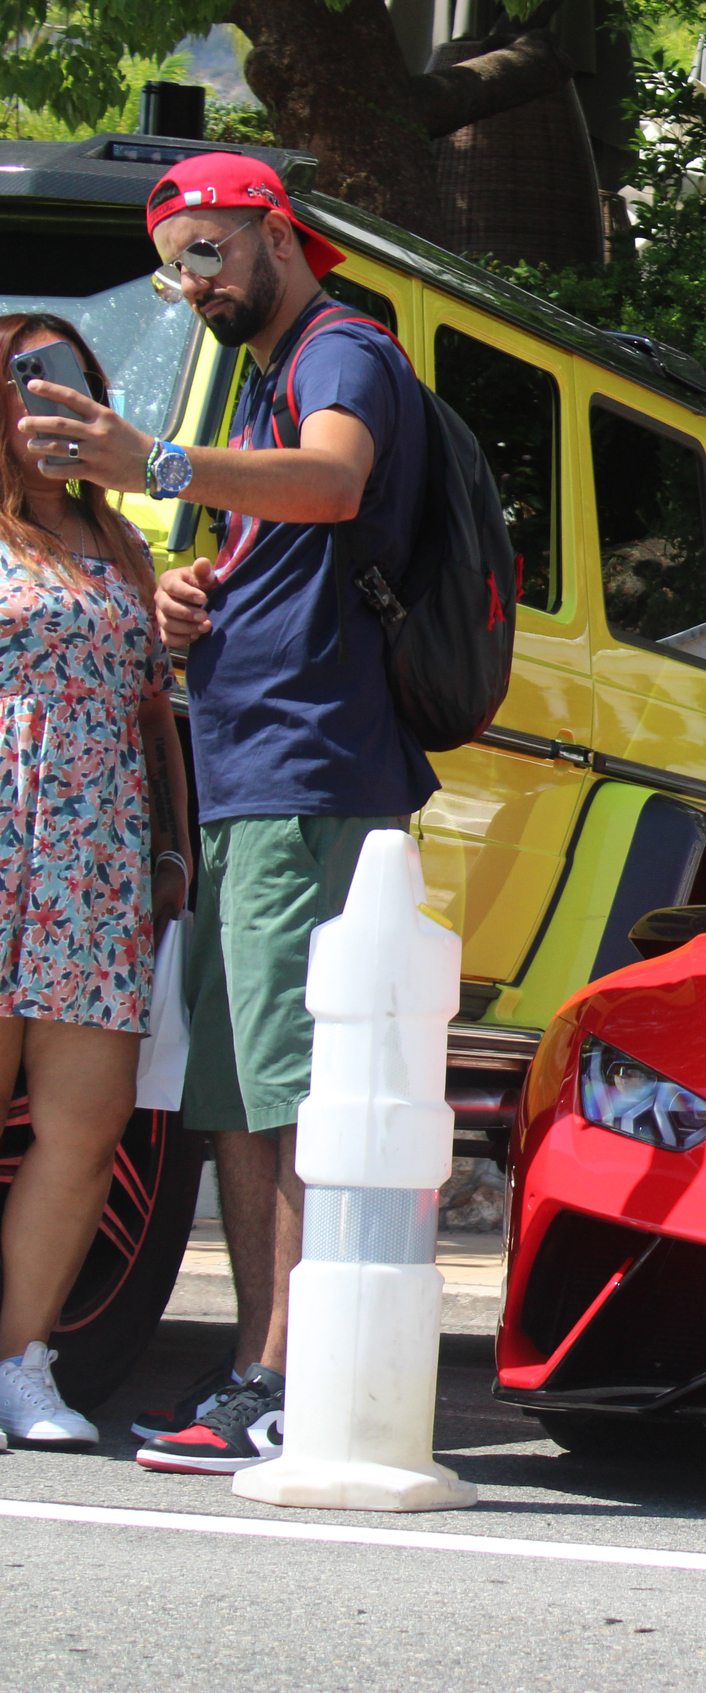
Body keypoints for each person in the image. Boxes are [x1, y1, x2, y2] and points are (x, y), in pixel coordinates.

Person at [12, 151, 437, 1473]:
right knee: (243, 1093)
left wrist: (164, 463)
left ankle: (279, 1375)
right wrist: (207, 594)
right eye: (175, 262)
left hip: (301, 772)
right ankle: (269, 1373)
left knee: (276, 1091)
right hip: (255, 775)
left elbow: (336, 480)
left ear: (275, 230)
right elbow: (289, 521)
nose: (193, 282)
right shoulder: (267, 377)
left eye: (209, 249)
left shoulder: (339, 347)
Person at [0, 314, 190, 1451]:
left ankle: (22, 1364)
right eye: (30, 385)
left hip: (99, 859)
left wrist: (171, 845)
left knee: (85, 1120)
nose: (53, 407)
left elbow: (149, 711)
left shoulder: (121, 547)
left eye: (73, 385)